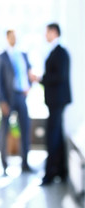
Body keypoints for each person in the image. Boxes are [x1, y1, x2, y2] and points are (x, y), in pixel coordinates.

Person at [0, 30, 33, 174]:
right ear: (6, 38)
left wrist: (29, 86)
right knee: (4, 130)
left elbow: (29, 72)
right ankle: (4, 164)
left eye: (16, 37)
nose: (14, 39)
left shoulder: (23, 54)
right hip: (8, 98)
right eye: (11, 37)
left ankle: (25, 163)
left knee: (26, 128)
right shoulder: (1, 56)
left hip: (21, 95)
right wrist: (2, 101)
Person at [40, 23, 71, 185]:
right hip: (55, 101)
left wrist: (41, 79)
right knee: (56, 135)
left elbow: (60, 76)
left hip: (57, 101)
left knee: (53, 135)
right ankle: (59, 170)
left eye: (46, 32)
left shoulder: (61, 53)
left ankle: (50, 173)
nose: (45, 35)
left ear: (54, 32)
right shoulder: (55, 52)